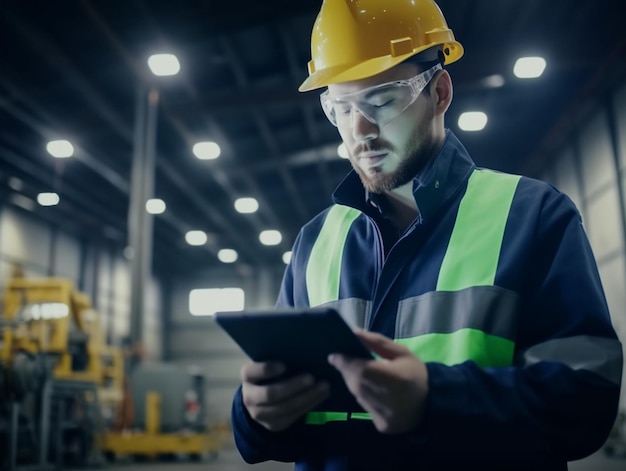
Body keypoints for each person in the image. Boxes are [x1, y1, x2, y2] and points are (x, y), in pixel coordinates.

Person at [230, 0, 623, 469]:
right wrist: (253, 415)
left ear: (439, 92)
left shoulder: (532, 215)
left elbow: (586, 401)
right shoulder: (315, 242)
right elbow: (283, 420)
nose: (360, 131)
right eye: (340, 107)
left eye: (381, 100)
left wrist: (434, 401)